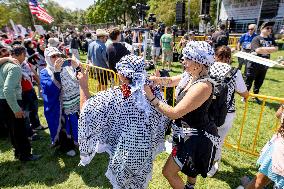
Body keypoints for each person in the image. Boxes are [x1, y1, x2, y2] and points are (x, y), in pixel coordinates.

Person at [78, 54, 170, 189]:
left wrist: (83, 86)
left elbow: (86, 112)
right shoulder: (154, 93)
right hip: (144, 151)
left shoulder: (113, 96)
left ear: (122, 75)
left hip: (124, 154)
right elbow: (164, 119)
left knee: (123, 184)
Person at [144, 41, 220, 189]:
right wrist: (156, 80)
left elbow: (174, 113)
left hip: (196, 137)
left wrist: (151, 97)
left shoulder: (203, 86)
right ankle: (190, 186)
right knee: (191, 166)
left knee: (168, 172)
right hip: (187, 133)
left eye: (187, 58)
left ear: (198, 62)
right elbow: (171, 80)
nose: (182, 60)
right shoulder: (190, 74)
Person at [207, 45, 249, 177]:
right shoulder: (234, 72)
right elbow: (244, 93)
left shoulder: (208, 68)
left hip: (206, 109)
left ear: (215, 56)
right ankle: (212, 166)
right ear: (229, 58)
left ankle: (202, 161)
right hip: (227, 112)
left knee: (206, 137)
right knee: (218, 140)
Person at [0, 44, 41, 161]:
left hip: (3, 101)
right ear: (22, 54)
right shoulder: (14, 67)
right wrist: (16, 108)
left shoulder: (3, 65)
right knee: (20, 130)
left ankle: (18, 152)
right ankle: (25, 155)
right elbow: (8, 89)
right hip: (11, 101)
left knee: (13, 130)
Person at [40, 47, 81, 156]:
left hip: (73, 101)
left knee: (75, 122)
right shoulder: (45, 72)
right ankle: (66, 147)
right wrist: (56, 72)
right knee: (62, 125)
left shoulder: (67, 67)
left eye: (58, 55)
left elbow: (77, 79)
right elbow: (49, 88)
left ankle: (77, 140)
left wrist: (77, 67)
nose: (57, 58)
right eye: (53, 56)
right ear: (48, 59)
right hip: (58, 105)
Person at [238, 104, 284, 189]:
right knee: (262, 179)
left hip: (280, 152)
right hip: (280, 150)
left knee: (260, 181)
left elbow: (279, 114)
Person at [11, 45, 45, 139]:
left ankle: (36, 126)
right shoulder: (12, 65)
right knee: (25, 114)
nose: (26, 55)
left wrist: (40, 85)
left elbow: (34, 74)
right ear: (22, 54)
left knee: (34, 109)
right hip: (21, 94)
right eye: (24, 53)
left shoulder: (25, 63)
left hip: (30, 90)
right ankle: (29, 133)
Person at [245, 22, 278, 104]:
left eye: (271, 28)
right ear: (262, 29)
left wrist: (263, 49)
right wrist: (270, 49)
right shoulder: (256, 38)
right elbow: (257, 50)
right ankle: (245, 96)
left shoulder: (271, 39)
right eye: (267, 28)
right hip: (253, 64)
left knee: (259, 81)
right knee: (249, 81)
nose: (270, 30)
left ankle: (255, 96)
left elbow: (276, 49)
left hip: (264, 64)